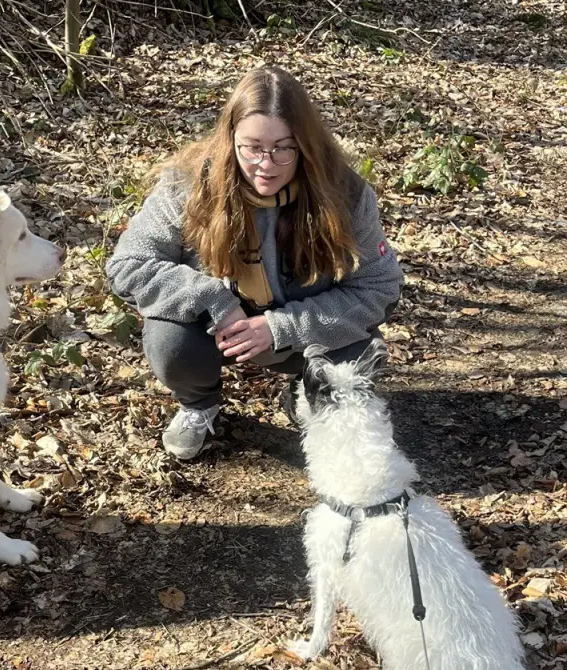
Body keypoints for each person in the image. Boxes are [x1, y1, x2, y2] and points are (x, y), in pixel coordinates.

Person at [105, 66, 403, 460]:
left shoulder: (345, 192)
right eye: (252, 147)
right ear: (231, 139)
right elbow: (129, 263)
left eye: (283, 148)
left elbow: (380, 286)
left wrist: (281, 327)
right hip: (216, 329)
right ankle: (199, 404)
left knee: (359, 360)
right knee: (168, 340)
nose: (266, 164)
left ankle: (305, 389)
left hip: (304, 326)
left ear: (305, 144)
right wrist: (213, 299)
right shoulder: (186, 183)